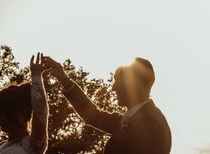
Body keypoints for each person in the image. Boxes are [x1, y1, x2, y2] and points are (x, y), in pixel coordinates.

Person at [43, 56, 171, 154]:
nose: (113, 88)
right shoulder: (132, 118)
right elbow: (94, 116)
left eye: (117, 81)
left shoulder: (152, 124)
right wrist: (64, 79)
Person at [0, 52, 49, 154]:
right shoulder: (0, 146)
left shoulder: (31, 145)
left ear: (15, 111)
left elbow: (40, 114)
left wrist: (36, 76)